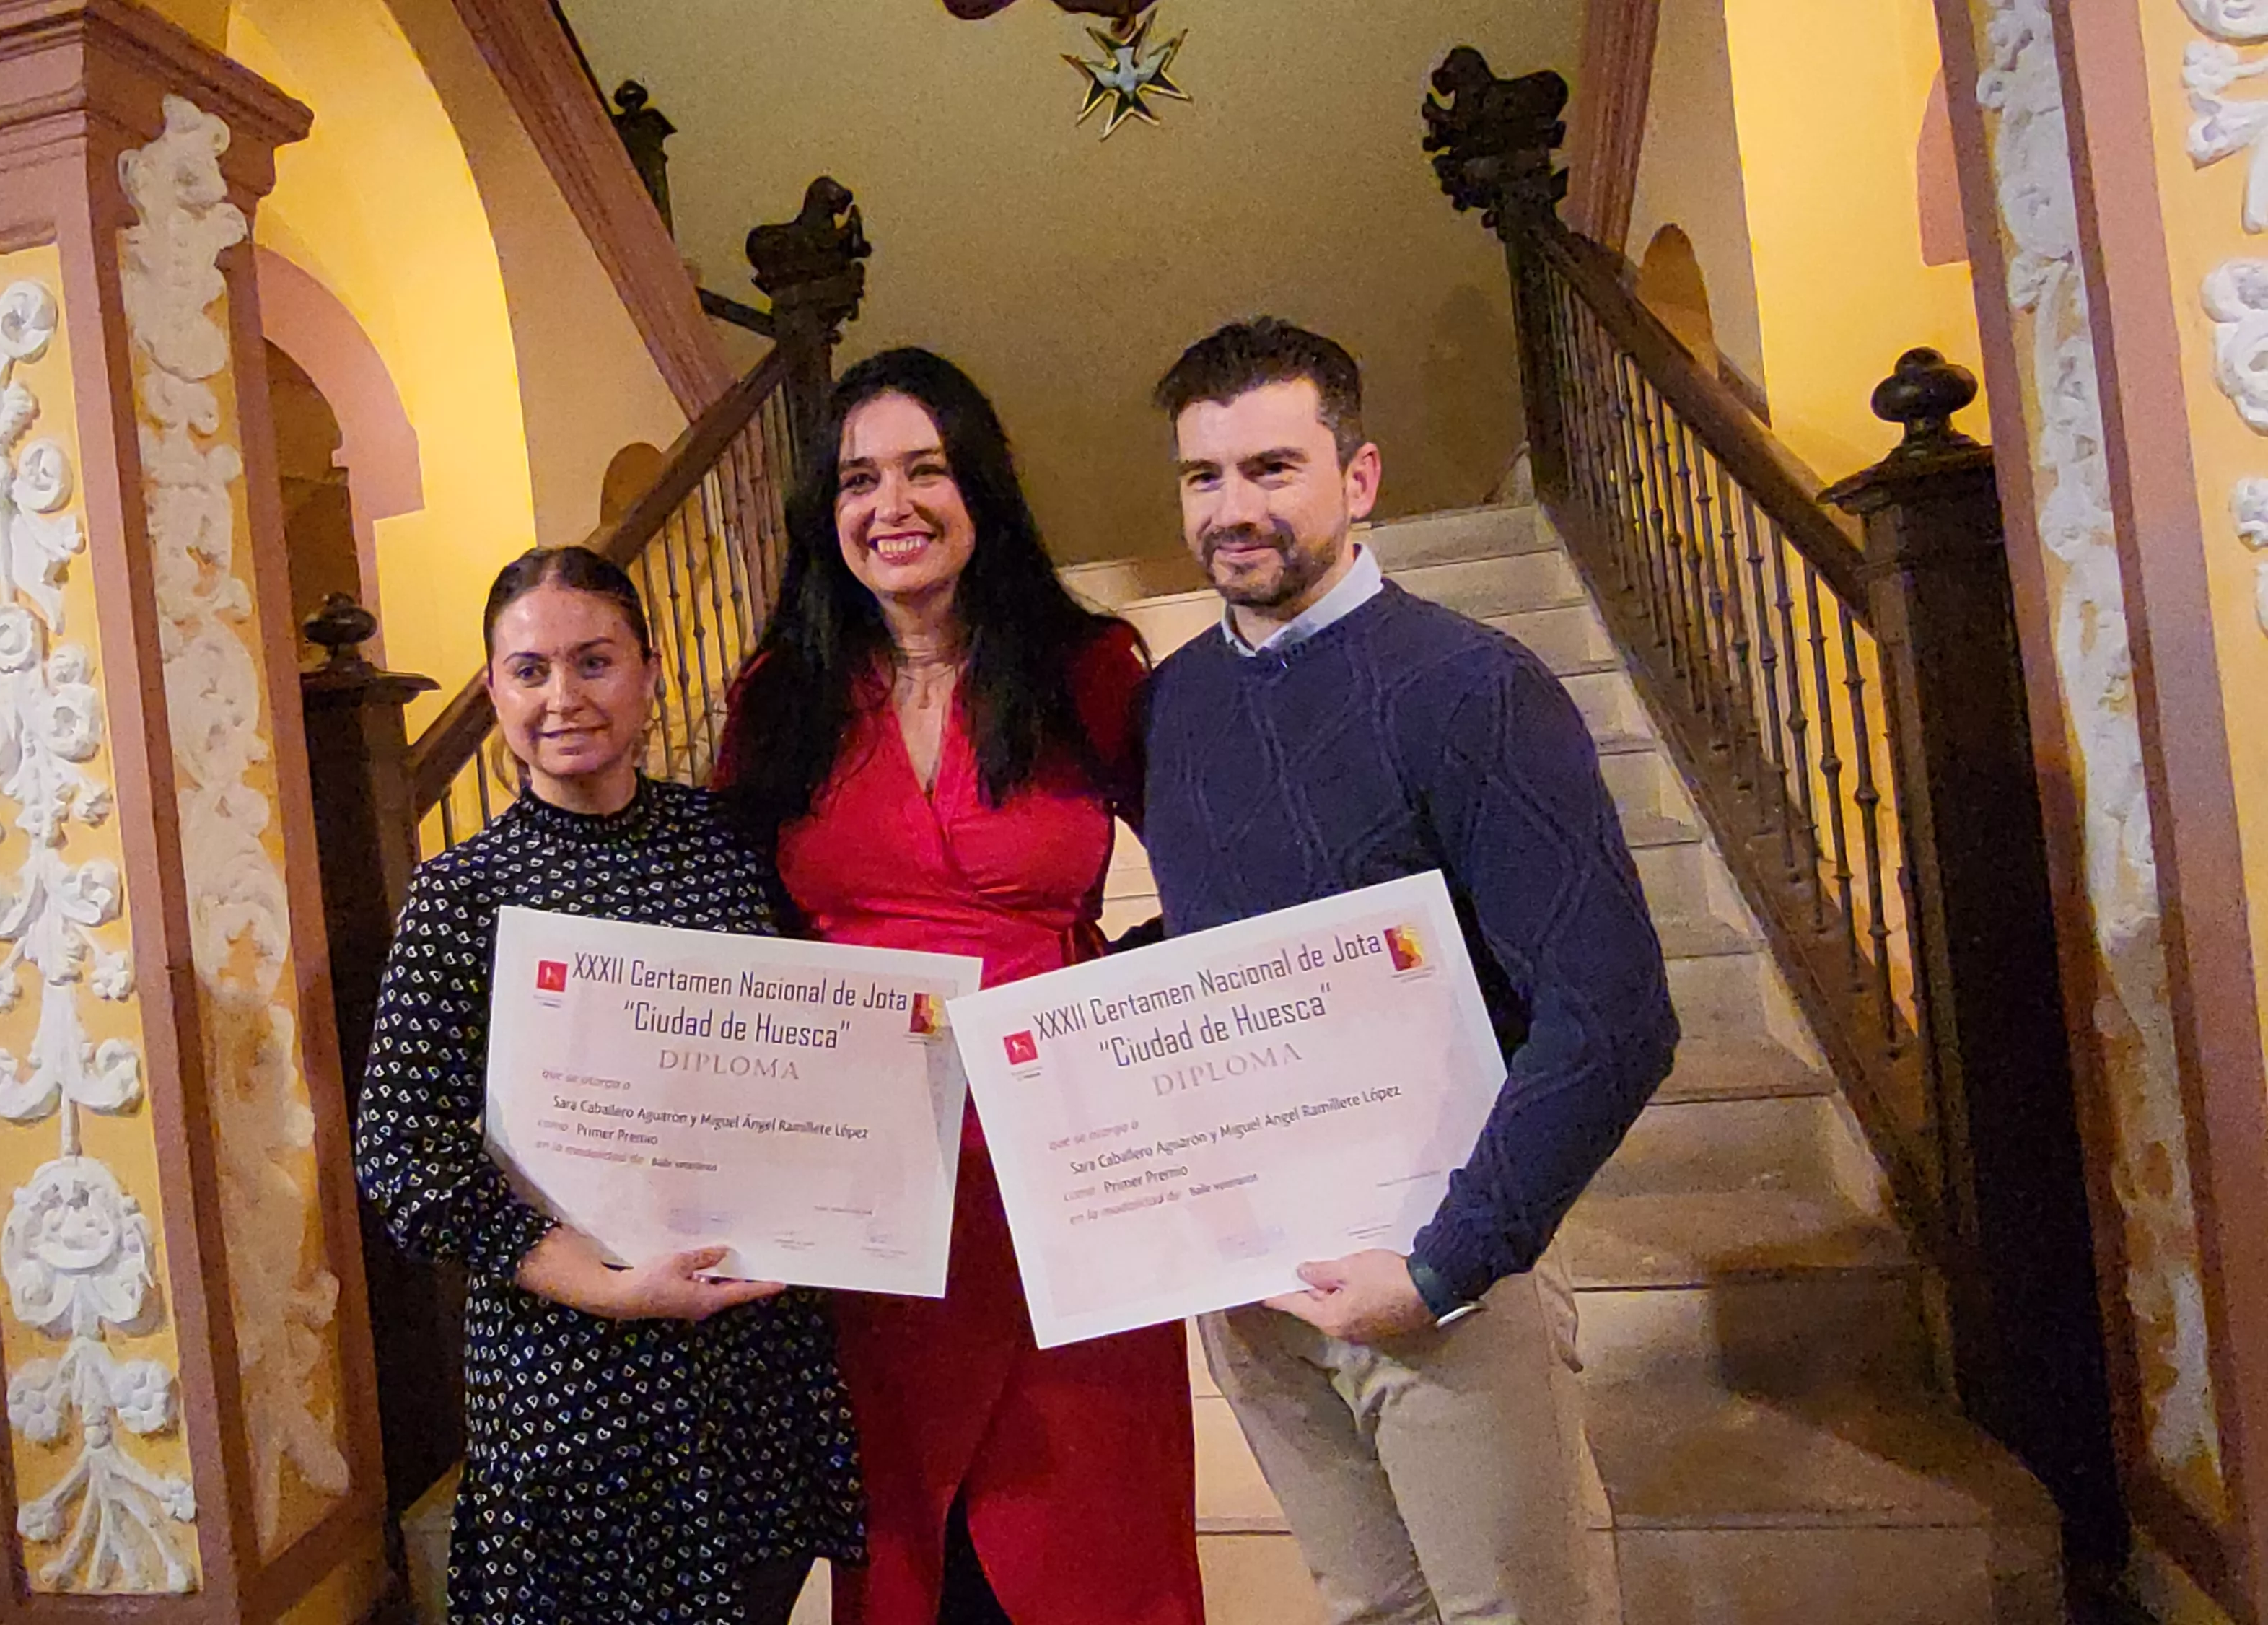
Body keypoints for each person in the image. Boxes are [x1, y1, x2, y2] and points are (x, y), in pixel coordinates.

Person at [1138, 315, 1678, 1625]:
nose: (1233, 510)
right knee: (1376, 1614)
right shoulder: (1176, 703)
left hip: (1439, 1271)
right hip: (1257, 1295)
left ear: (1359, 477)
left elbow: (1614, 1016)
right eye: (1205, 477)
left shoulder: (1472, 687)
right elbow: (1226, 949)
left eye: (1273, 468)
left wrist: (1448, 1263)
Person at [720, 349, 1204, 1625]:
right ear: (826, 514)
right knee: (913, 1558)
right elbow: (729, 940)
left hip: (1068, 1173)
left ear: (978, 485)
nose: (893, 504)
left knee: (1091, 1548)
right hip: (875, 1190)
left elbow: (1216, 884)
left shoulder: (1090, 664)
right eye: (859, 478)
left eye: (925, 469)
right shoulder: (779, 697)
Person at [356, 546, 861, 1625]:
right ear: (492, 691)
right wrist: (607, 1285)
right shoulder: (461, 894)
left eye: (594, 662)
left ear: (649, 673)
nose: (564, 698)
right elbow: (402, 1157)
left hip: (744, 1352)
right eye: (529, 671)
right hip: (571, 1363)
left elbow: (808, 1050)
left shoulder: (731, 849)